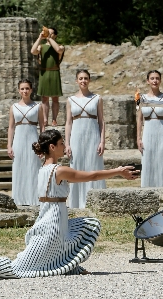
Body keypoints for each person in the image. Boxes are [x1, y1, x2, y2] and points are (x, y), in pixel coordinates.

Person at [0, 129, 138, 281]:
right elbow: (92, 176)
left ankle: (68, 266)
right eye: (61, 143)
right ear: (52, 146)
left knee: (86, 226)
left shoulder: (43, 170)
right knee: (16, 269)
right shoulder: (59, 170)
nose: (64, 146)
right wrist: (118, 171)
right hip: (52, 225)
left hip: (52, 220)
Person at [65, 70, 105, 208]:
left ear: (89, 80)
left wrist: (102, 141)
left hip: (93, 136)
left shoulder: (97, 98)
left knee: (93, 165)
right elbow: (68, 123)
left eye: (86, 78)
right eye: (80, 78)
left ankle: (96, 200)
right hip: (76, 137)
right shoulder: (70, 100)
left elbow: (101, 121)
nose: (83, 81)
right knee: (77, 166)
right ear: (76, 81)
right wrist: (67, 144)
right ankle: (76, 202)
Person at [8, 79, 45, 205]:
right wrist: (9, 145)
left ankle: (34, 198)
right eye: (22, 88)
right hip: (18, 141)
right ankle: (19, 199)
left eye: (27, 88)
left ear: (31, 90)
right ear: (19, 90)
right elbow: (11, 127)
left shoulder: (37, 107)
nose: (25, 91)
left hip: (33, 140)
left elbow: (42, 127)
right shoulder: (14, 107)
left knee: (34, 168)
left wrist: (42, 145)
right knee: (19, 168)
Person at [136, 70, 163, 187]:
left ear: (160, 80)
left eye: (157, 78)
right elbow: (139, 119)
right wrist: (138, 138)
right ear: (148, 81)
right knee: (148, 161)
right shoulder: (140, 98)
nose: (155, 81)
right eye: (152, 78)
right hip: (148, 133)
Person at [30, 27, 65, 127]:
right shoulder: (41, 47)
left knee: (55, 98)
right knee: (44, 98)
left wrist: (49, 39)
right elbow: (33, 51)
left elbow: (58, 50)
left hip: (54, 72)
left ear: (55, 35)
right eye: (47, 33)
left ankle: (54, 119)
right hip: (44, 73)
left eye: (51, 33)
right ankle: (45, 119)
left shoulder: (61, 46)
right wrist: (40, 38)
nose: (48, 34)